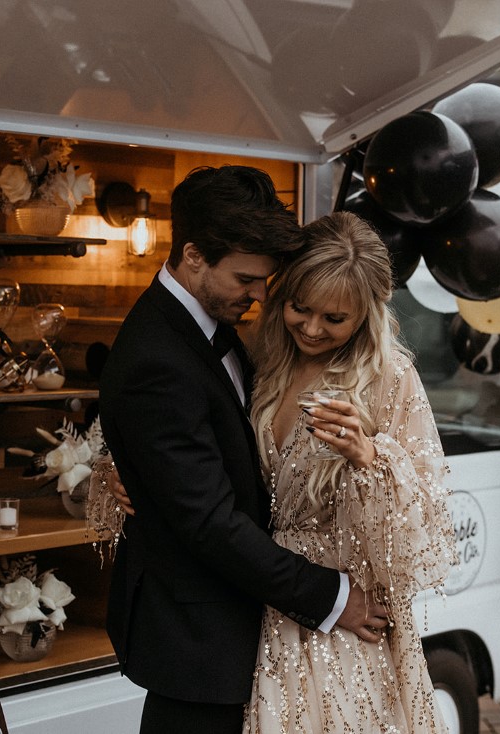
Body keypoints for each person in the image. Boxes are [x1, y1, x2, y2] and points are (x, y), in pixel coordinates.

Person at [94, 166, 387, 734]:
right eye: (247, 279)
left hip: (245, 633)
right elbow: (209, 523)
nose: (260, 295)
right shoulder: (158, 356)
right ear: (194, 255)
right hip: (198, 644)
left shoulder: (213, 326)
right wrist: (332, 598)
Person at [243, 211, 458, 732]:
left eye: (334, 319)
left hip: (347, 615)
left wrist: (371, 459)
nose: (312, 329)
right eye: (301, 308)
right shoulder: (259, 354)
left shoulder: (390, 375)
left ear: (366, 314)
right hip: (255, 594)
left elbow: (424, 528)